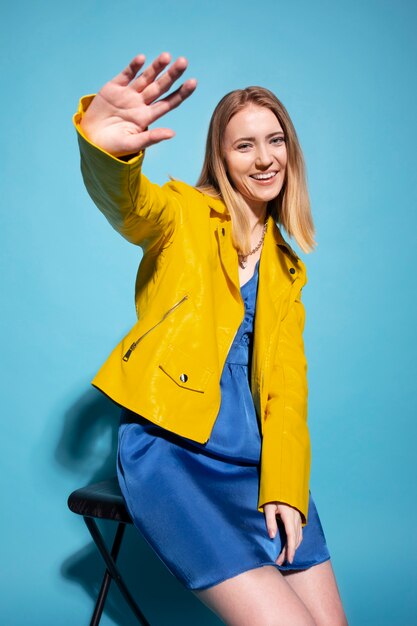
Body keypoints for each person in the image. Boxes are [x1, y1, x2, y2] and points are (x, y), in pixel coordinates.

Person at [74, 52, 348, 626]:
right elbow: (131, 204)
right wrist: (108, 151)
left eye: (275, 140)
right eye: (244, 144)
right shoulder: (182, 216)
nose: (265, 157)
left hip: (254, 461)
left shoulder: (286, 268)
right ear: (220, 157)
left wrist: (286, 488)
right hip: (173, 454)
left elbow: (286, 393)